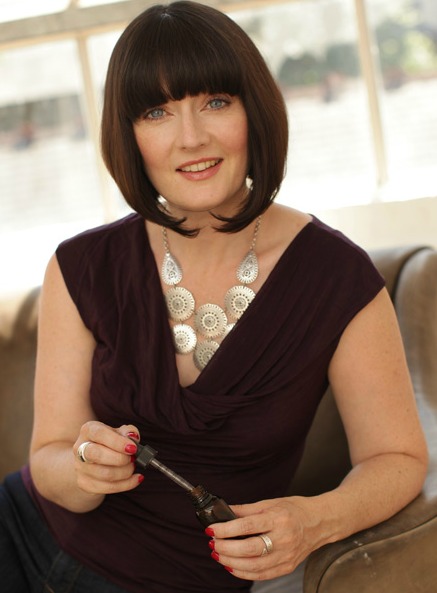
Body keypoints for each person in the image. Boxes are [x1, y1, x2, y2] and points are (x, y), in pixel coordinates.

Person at [0, 2, 428, 593]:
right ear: (130, 136)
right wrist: (83, 467)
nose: (191, 138)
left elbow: (399, 460)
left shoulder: (338, 279)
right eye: (156, 112)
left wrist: (314, 519)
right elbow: (48, 457)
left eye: (216, 102)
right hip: (23, 536)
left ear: (255, 111)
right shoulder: (80, 266)